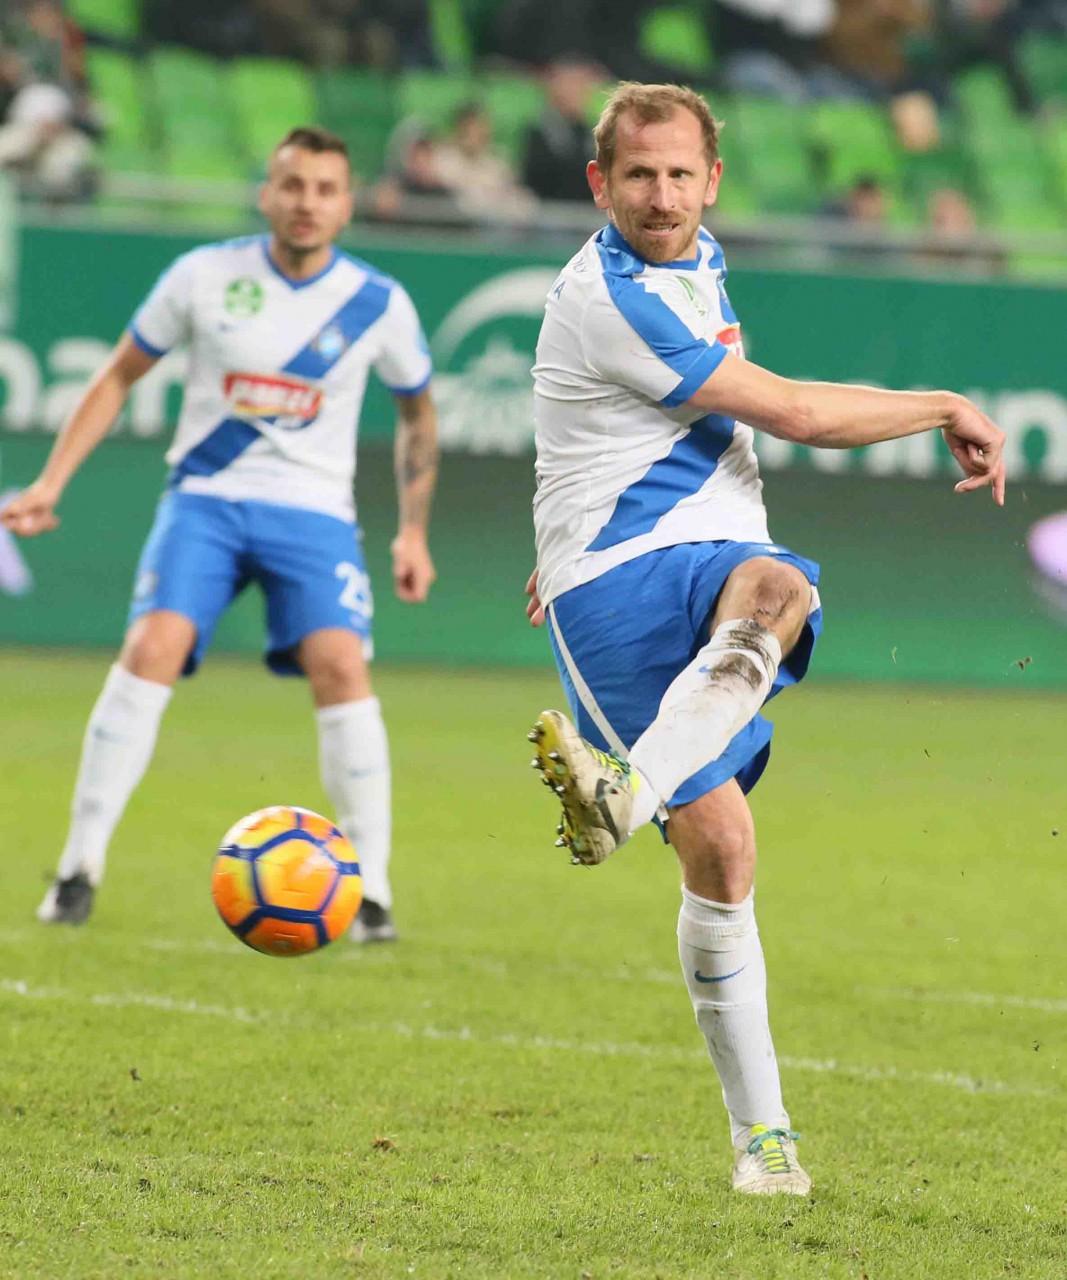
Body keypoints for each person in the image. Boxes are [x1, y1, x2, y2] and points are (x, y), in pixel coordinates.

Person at [524, 82, 1004, 1196]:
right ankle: (762, 1132)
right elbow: (793, 412)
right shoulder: (608, 293)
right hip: (613, 584)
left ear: (711, 181)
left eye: (677, 174)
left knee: (779, 586)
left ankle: (624, 799)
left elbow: (584, 424)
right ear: (597, 183)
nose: (659, 196)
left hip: (707, 550)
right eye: (636, 175)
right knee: (724, 849)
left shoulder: (699, 258)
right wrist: (941, 403)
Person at [2, 125, 439, 942]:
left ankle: (371, 889)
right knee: (150, 648)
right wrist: (51, 482)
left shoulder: (378, 302)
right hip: (205, 500)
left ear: (346, 205)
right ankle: (77, 870)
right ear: (266, 193)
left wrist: (411, 532)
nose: (306, 202)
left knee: (342, 665)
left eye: (324, 189)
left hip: (313, 511)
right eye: (292, 185)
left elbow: (418, 414)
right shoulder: (203, 275)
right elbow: (118, 375)